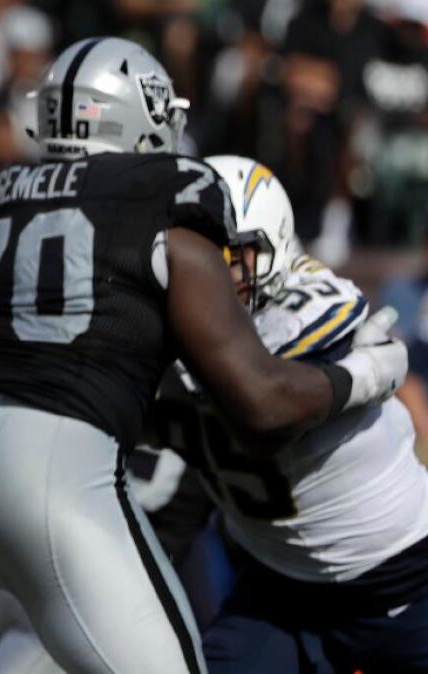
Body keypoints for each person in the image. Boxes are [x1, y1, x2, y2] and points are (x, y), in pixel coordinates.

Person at [0, 37, 407, 674]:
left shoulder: (0, 191)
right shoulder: (171, 190)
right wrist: (364, 374)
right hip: (44, 461)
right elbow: (261, 401)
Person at [158, 155, 428, 673]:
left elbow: (264, 402)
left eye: (225, 260)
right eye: (195, 259)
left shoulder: (302, 308)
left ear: (273, 245)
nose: (206, 280)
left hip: (399, 581)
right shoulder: (161, 324)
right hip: (276, 591)